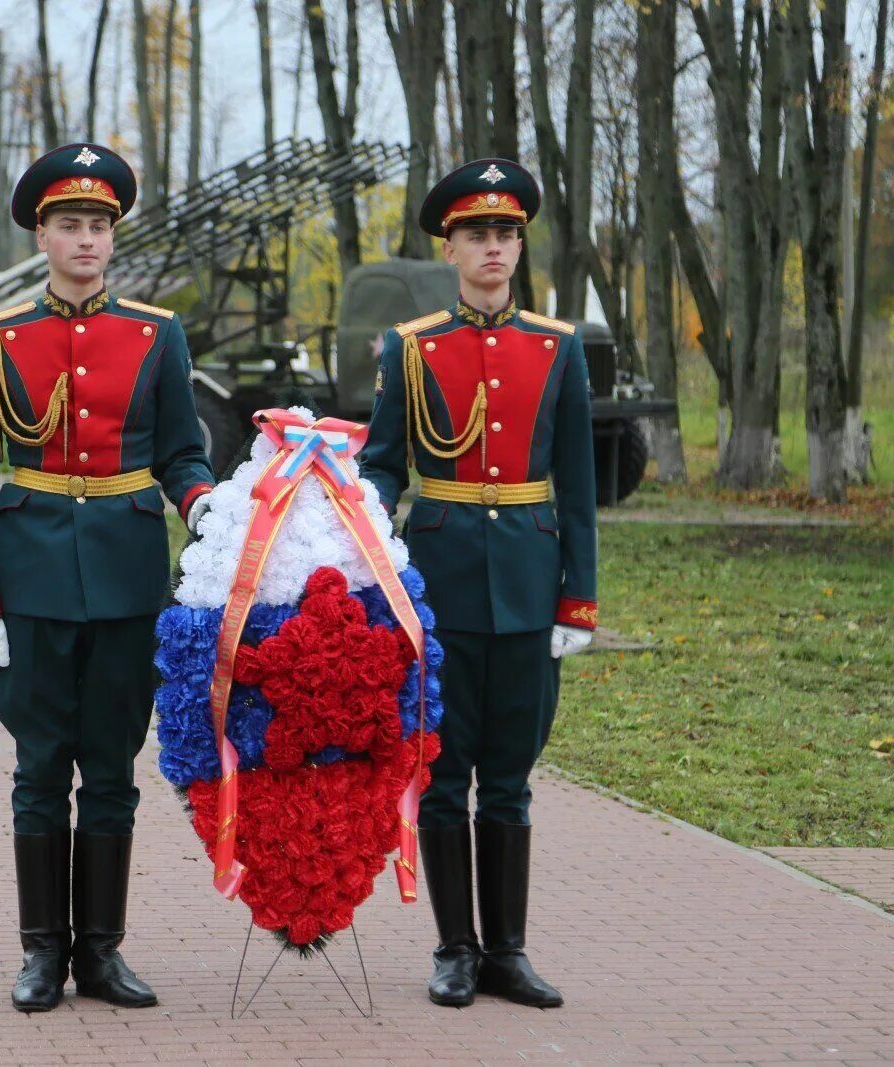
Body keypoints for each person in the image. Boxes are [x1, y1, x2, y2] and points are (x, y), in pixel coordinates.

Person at [0, 142, 215, 1013]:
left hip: (128, 580)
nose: (87, 240)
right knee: (40, 767)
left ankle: (102, 953)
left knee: (111, 766)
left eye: (99, 225)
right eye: (71, 224)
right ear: (42, 233)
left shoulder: (156, 333)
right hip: (28, 585)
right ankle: (41, 955)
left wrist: (206, 505)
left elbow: (182, 451)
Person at [360, 158, 598, 1011]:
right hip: (439, 586)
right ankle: (454, 949)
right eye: (475, 235)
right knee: (442, 768)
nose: (492, 247)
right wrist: (366, 520)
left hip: (531, 587)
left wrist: (579, 599)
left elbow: (578, 482)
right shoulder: (413, 347)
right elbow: (384, 464)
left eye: (504, 234)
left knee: (510, 774)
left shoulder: (557, 347)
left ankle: (509, 951)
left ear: (518, 245)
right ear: (450, 247)